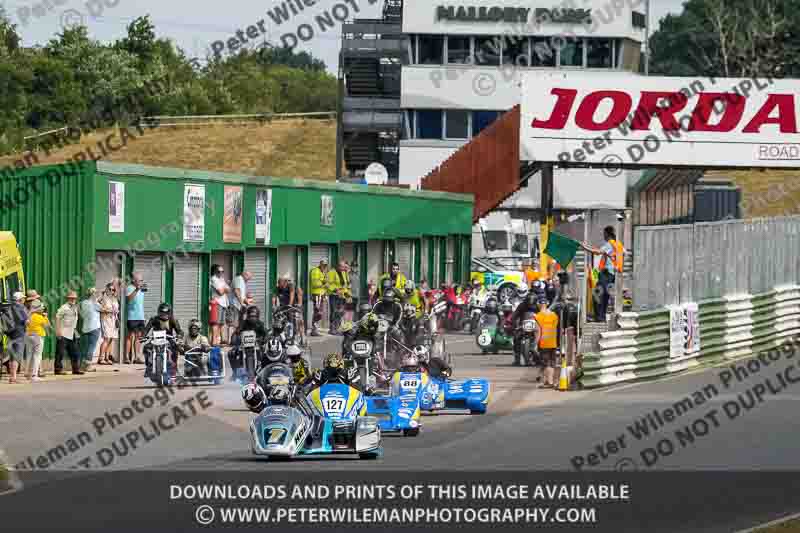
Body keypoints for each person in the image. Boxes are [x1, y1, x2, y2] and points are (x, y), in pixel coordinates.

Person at [582, 226, 624, 322]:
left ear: (607, 234)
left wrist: (584, 247)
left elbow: (597, 252)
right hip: (613, 274)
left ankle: (599, 317)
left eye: (604, 234)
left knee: (597, 293)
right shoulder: (618, 244)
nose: (603, 236)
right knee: (604, 295)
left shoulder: (610, 244)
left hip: (607, 273)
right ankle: (602, 317)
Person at [142, 303, 183, 379]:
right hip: (155, 340)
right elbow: (146, 329)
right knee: (146, 348)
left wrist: (179, 336)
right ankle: (148, 366)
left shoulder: (173, 320)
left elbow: (179, 331)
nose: (164, 315)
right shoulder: (154, 319)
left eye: (166, 313)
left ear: (169, 313)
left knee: (175, 348)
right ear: (158, 312)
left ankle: (174, 367)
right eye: (162, 313)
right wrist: (143, 336)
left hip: (168, 339)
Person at [230, 305, 268, 379]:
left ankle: (263, 370)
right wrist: (235, 337)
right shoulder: (244, 323)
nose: (252, 318)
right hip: (244, 346)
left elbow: (265, 334)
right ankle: (235, 372)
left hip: (257, 345)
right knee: (231, 353)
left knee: (266, 354)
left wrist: (262, 340)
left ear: (257, 316)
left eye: (254, 316)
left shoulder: (260, 324)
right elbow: (237, 332)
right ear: (247, 316)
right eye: (251, 316)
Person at [55, 291, 83, 375]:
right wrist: (58, 330)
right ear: (68, 298)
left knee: (75, 352)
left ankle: (76, 369)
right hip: (63, 332)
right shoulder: (64, 307)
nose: (73, 299)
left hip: (72, 332)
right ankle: (58, 370)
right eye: (71, 298)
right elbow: (57, 318)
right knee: (60, 352)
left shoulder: (75, 307)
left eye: (74, 298)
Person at [534, 297, 559, 388]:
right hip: (553, 342)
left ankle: (549, 382)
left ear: (539, 304)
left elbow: (538, 331)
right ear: (547, 304)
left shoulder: (538, 316)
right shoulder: (554, 315)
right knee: (552, 363)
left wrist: (535, 344)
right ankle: (548, 381)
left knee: (546, 363)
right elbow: (555, 328)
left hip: (544, 342)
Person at [5, 292, 29, 384]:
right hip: (19, 334)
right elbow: (26, 321)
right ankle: (13, 377)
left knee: (12, 356)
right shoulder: (21, 308)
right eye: (23, 298)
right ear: (20, 299)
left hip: (10, 334)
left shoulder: (9, 308)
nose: (24, 300)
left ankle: (12, 376)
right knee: (16, 356)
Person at [510, 291, 539, 367]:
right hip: (523, 325)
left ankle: (541, 356)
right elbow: (515, 314)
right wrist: (513, 321)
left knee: (543, 337)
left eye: (532, 301)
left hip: (536, 325)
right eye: (529, 300)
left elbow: (543, 314)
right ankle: (517, 359)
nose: (530, 302)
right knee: (516, 338)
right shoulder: (522, 305)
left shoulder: (538, 306)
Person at [24, 300, 49, 382]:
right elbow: (47, 326)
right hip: (38, 336)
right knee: (37, 356)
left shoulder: (30, 316)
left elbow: (26, 323)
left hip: (28, 335)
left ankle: (27, 373)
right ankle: (34, 375)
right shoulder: (40, 317)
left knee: (29, 355)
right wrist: (45, 316)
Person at [78, 288, 102, 373]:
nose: (97, 294)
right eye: (95, 293)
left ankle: (81, 365)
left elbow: (79, 311)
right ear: (92, 294)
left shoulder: (83, 303)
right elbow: (104, 309)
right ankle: (88, 366)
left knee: (85, 347)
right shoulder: (95, 303)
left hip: (85, 327)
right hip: (94, 327)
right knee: (91, 347)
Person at [125, 273, 146, 364]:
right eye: (140, 280)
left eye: (142, 280)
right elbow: (129, 299)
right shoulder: (130, 288)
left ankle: (137, 357)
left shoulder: (141, 289)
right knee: (130, 336)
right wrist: (137, 289)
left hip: (140, 316)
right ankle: (126, 357)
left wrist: (141, 288)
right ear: (134, 280)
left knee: (138, 337)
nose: (141, 282)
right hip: (132, 317)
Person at [327, 260, 351, 335]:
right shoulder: (331, 272)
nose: (343, 268)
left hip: (341, 295)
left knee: (340, 312)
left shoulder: (344, 272)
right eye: (342, 266)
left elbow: (345, 284)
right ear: (338, 266)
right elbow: (327, 283)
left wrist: (347, 293)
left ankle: (337, 328)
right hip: (334, 295)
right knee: (334, 311)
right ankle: (332, 328)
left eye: (344, 267)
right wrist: (334, 289)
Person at [98, 282, 119, 365]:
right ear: (106, 289)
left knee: (111, 339)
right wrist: (107, 310)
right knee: (106, 338)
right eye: (109, 289)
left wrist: (116, 311)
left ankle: (107, 357)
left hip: (114, 320)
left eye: (113, 290)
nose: (111, 291)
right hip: (106, 319)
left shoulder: (114, 299)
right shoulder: (103, 298)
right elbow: (99, 307)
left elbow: (116, 308)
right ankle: (101, 358)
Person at [209, 264, 230, 346]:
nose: (221, 273)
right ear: (215, 271)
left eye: (222, 271)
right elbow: (220, 292)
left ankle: (220, 340)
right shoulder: (214, 279)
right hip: (217, 303)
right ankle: (214, 341)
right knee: (215, 323)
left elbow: (228, 289)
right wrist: (225, 289)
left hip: (224, 303)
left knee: (221, 323)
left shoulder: (221, 279)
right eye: (219, 271)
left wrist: (224, 289)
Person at [309, 259, 329, 336]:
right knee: (318, 313)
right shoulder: (315, 271)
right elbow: (315, 283)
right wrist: (324, 283)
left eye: (326, 265)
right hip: (317, 294)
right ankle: (314, 330)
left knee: (319, 313)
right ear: (320, 264)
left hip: (321, 294)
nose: (324, 267)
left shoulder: (322, 272)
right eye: (323, 265)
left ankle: (315, 329)